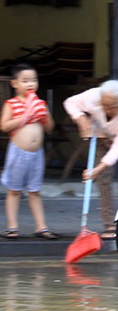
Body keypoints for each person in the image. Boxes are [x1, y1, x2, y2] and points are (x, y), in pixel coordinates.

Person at [63, 79, 118, 240]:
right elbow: (70, 102)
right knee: (103, 180)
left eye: (112, 107)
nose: (107, 110)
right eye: (104, 105)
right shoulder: (92, 97)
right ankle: (109, 225)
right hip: (102, 134)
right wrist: (81, 119)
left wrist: (96, 169)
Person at [0, 63, 58, 239]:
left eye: (33, 80)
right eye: (25, 81)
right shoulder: (11, 104)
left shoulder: (40, 104)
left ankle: (41, 226)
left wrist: (43, 115)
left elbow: (49, 127)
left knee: (34, 190)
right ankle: (12, 227)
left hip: (36, 154)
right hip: (18, 152)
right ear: (14, 84)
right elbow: (4, 126)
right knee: (14, 190)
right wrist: (23, 118)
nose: (30, 84)